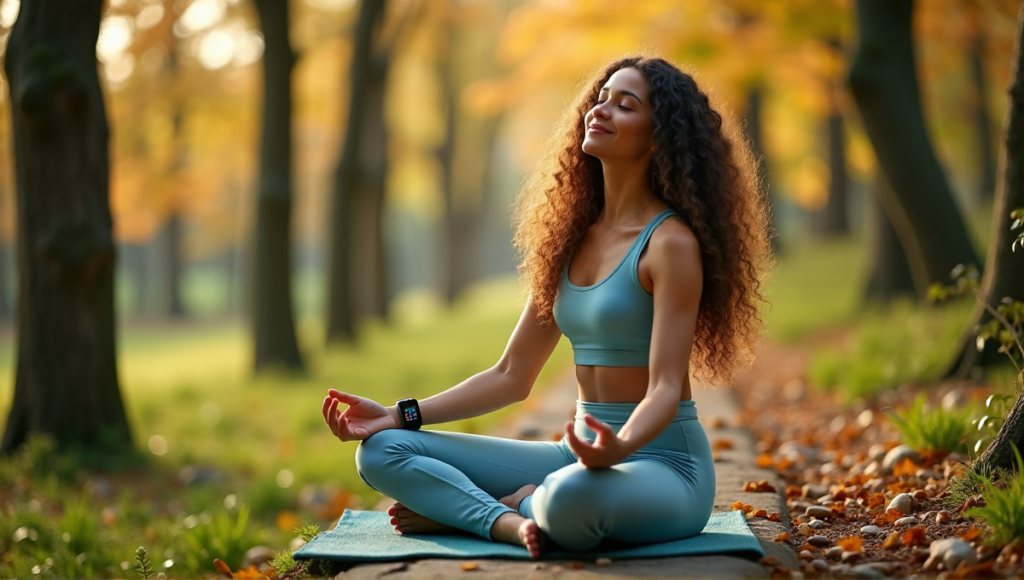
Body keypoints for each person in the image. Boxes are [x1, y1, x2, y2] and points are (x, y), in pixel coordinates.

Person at [321, 55, 773, 558]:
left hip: (663, 465)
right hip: (571, 455)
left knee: (572, 497)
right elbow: (512, 374)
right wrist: (399, 414)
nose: (599, 110)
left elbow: (667, 385)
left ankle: (488, 509)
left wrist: (619, 448)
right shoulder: (568, 241)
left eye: (625, 105)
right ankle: (507, 521)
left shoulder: (669, 244)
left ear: (657, 136)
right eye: (600, 99)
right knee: (382, 451)